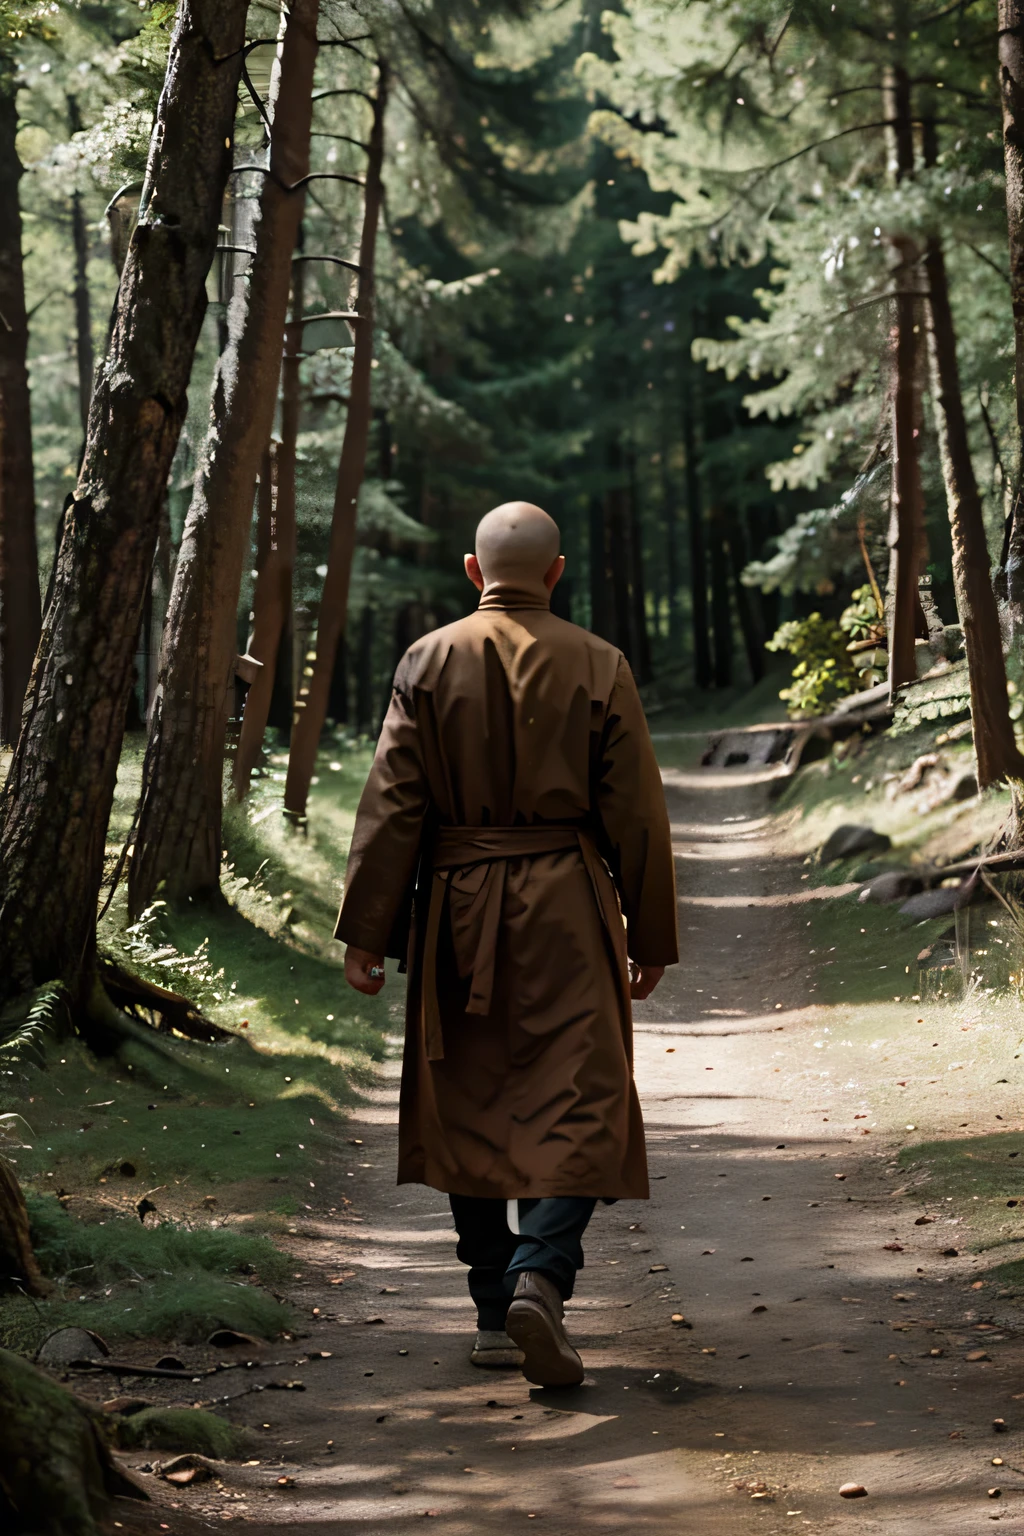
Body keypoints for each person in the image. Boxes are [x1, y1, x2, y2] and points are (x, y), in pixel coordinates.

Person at [336, 501, 678, 1387]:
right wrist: (652, 932)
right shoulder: (600, 662)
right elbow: (636, 810)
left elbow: (392, 807)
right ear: (557, 574)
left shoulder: (427, 658)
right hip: (569, 902)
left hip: (455, 904)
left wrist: (368, 933)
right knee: (587, 1093)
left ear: (473, 571)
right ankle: (542, 1273)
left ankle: (495, 1309)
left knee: (471, 1093)